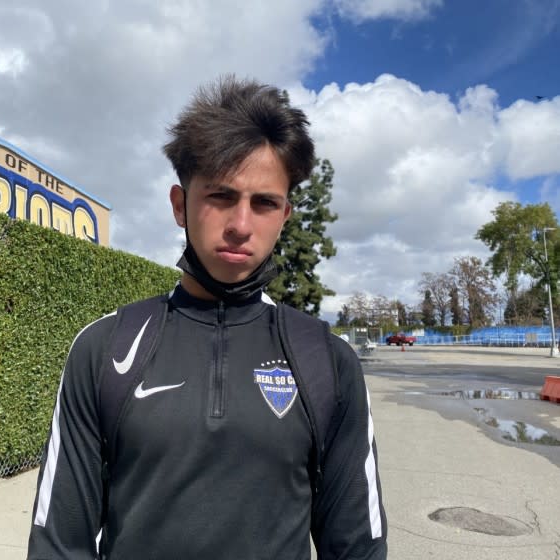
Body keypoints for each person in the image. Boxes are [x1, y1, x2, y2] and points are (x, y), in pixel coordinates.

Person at [27, 76, 387, 559]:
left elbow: (357, 549)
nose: (240, 225)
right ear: (181, 205)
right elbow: (58, 545)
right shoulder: (106, 348)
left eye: (264, 203)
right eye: (220, 196)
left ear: (284, 215)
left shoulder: (328, 361)